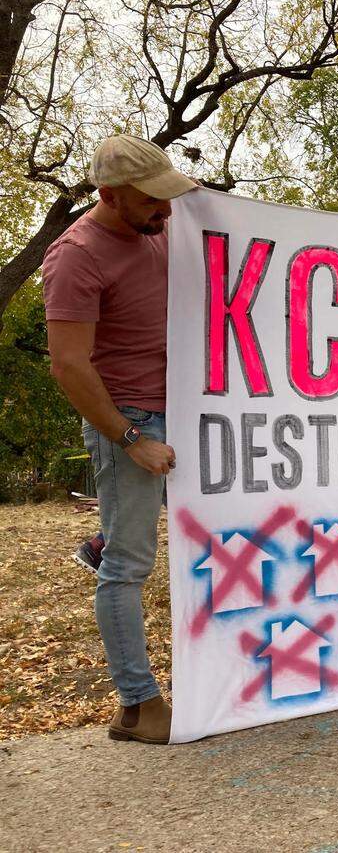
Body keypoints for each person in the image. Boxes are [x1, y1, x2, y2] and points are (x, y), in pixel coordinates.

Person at [43, 134, 195, 745]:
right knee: (128, 567)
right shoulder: (76, 255)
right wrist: (131, 439)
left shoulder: (160, 224)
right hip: (130, 419)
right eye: (152, 201)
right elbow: (70, 365)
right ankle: (140, 705)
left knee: (209, 543)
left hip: (192, 408)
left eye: (168, 198)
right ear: (108, 195)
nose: (166, 212)